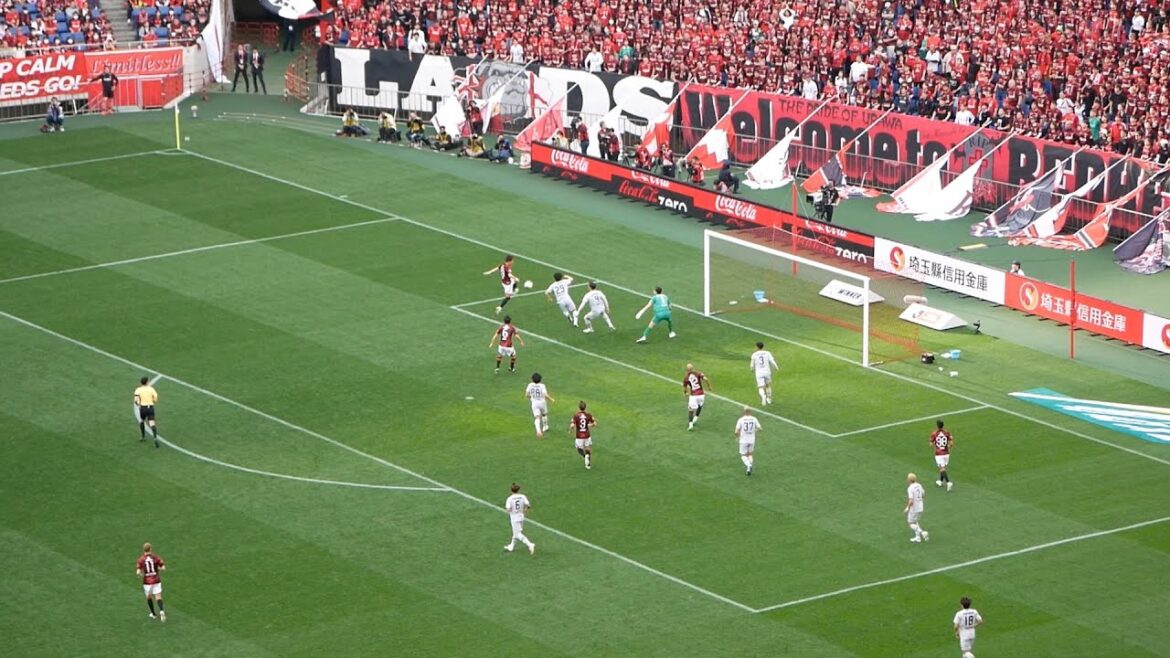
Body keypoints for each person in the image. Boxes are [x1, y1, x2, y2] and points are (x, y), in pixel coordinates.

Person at [136, 542, 166, 621]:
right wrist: (158, 569)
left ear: (144, 550)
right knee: (158, 596)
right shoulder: (156, 558)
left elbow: (138, 572)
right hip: (156, 579)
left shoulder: (141, 559)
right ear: (150, 549)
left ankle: (153, 614)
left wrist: (140, 575)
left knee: (149, 597)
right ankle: (162, 610)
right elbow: (163, 567)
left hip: (147, 582)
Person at [503, 483, 535, 555]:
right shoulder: (522, 496)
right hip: (521, 516)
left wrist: (509, 511)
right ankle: (511, 546)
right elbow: (528, 505)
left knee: (517, 534)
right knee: (515, 533)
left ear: (511, 490)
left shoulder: (510, 498)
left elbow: (508, 509)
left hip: (514, 518)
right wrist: (526, 509)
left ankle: (530, 544)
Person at [524, 372, 555, 437]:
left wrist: (532, 397)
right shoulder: (542, 386)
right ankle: (545, 427)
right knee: (544, 414)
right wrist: (551, 399)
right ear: (540, 379)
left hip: (534, 403)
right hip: (542, 402)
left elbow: (526, 395)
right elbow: (545, 395)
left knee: (537, 417)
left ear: (532, 379)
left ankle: (538, 431)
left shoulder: (530, 385)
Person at [749, 341, 780, 405]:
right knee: (768, 386)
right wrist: (776, 367)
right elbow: (772, 361)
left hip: (759, 372)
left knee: (760, 387)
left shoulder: (754, 354)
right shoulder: (767, 353)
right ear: (763, 346)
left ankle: (763, 396)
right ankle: (769, 399)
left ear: (757, 347)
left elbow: (752, 365)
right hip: (767, 371)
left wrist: (752, 369)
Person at [682, 363, 711, 431]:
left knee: (691, 410)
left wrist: (685, 393)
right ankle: (696, 418)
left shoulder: (686, 377)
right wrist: (709, 386)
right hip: (701, 394)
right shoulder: (698, 373)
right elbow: (706, 379)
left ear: (687, 369)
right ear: (693, 368)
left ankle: (690, 424)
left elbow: (685, 387)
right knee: (700, 405)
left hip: (694, 395)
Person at [733, 406, 761, 475]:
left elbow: (736, 432)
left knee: (743, 455)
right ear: (750, 411)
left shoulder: (741, 420)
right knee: (750, 454)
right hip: (752, 440)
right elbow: (760, 428)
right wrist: (754, 431)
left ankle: (749, 466)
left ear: (744, 412)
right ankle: (750, 465)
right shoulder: (754, 419)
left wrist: (737, 437)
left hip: (743, 440)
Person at [133, 376, 159, 447]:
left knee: (142, 421)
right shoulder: (151, 389)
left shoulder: (138, 390)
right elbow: (155, 397)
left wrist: (138, 404)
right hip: (150, 408)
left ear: (141, 382)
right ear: (147, 382)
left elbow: (136, 401)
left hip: (143, 408)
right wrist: (153, 401)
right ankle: (155, 437)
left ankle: (143, 436)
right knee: (152, 423)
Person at [904, 472, 929, 543]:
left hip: (914, 509)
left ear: (908, 480)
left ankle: (922, 532)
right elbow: (923, 494)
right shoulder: (919, 485)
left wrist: (907, 508)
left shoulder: (910, 488)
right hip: (920, 507)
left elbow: (911, 501)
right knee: (915, 522)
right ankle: (918, 538)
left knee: (910, 523)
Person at [570, 400, 595, 469]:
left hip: (579, 436)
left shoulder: (576, 416)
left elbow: (572, 425)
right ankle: (588, 465)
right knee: (588, 448)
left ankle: (585, 456)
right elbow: (594, 423)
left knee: (578, 448)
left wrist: (570, 430)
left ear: (579, 407)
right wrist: (589, 425)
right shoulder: (588, 415)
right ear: (585, 407)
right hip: (587, 435)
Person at [931, 419, 954, 491]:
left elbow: (931, 444)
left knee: (942, 468)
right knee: (943, 467)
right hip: (946, 453)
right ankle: (940, 481)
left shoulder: (934, 433)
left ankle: (948, 482)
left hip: (939, 454)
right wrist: (948, 447)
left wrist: (936, 445)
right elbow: (951, 442)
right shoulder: (947, 432)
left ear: (937, 425)